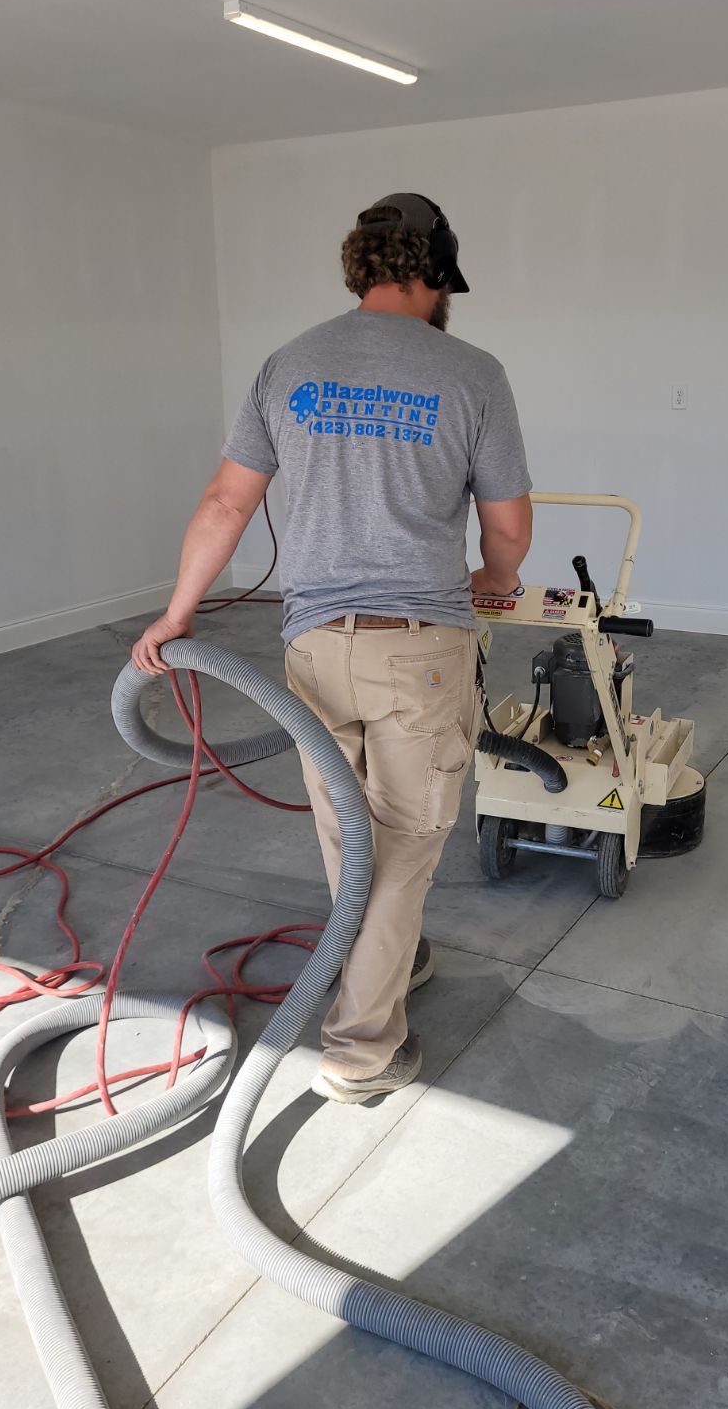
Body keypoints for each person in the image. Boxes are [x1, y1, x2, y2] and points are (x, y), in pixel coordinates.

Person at [133, 193, 532, 1103]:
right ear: (435, 274)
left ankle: (390, 958)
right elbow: (507, 526)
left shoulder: (290, 364)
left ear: (361, 266)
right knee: (407, 842)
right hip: (419, 654)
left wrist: (175, 615)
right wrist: (495, 579)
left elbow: (226, 502)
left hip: (311, 649)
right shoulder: (473, 373)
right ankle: (360, 1050)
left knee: (350, 830)